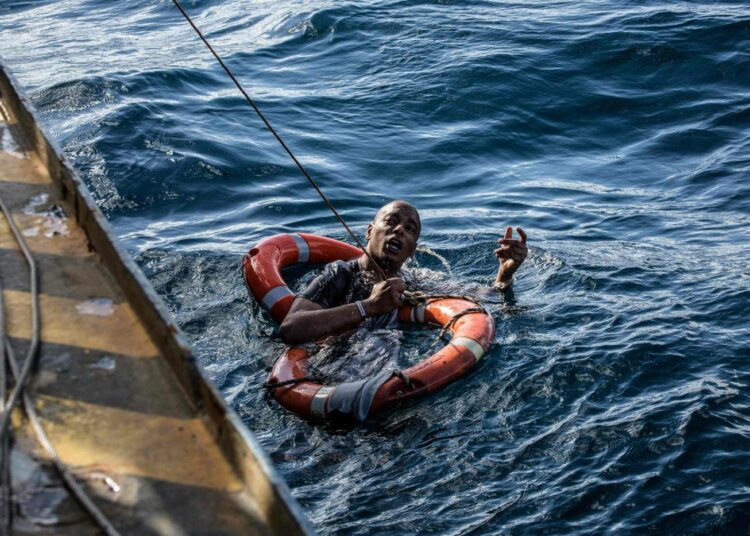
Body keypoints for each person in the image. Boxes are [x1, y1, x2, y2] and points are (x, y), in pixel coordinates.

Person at [279, 200, 528, 345]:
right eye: (391, 221)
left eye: (409, 229)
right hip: (332, 362)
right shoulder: (340, 273)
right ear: (368, 232)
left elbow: (485, 298)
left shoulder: (415, 281)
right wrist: (369, 306)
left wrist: (504, 276)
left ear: (412, 251)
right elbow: (291, 328)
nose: (399, 230)